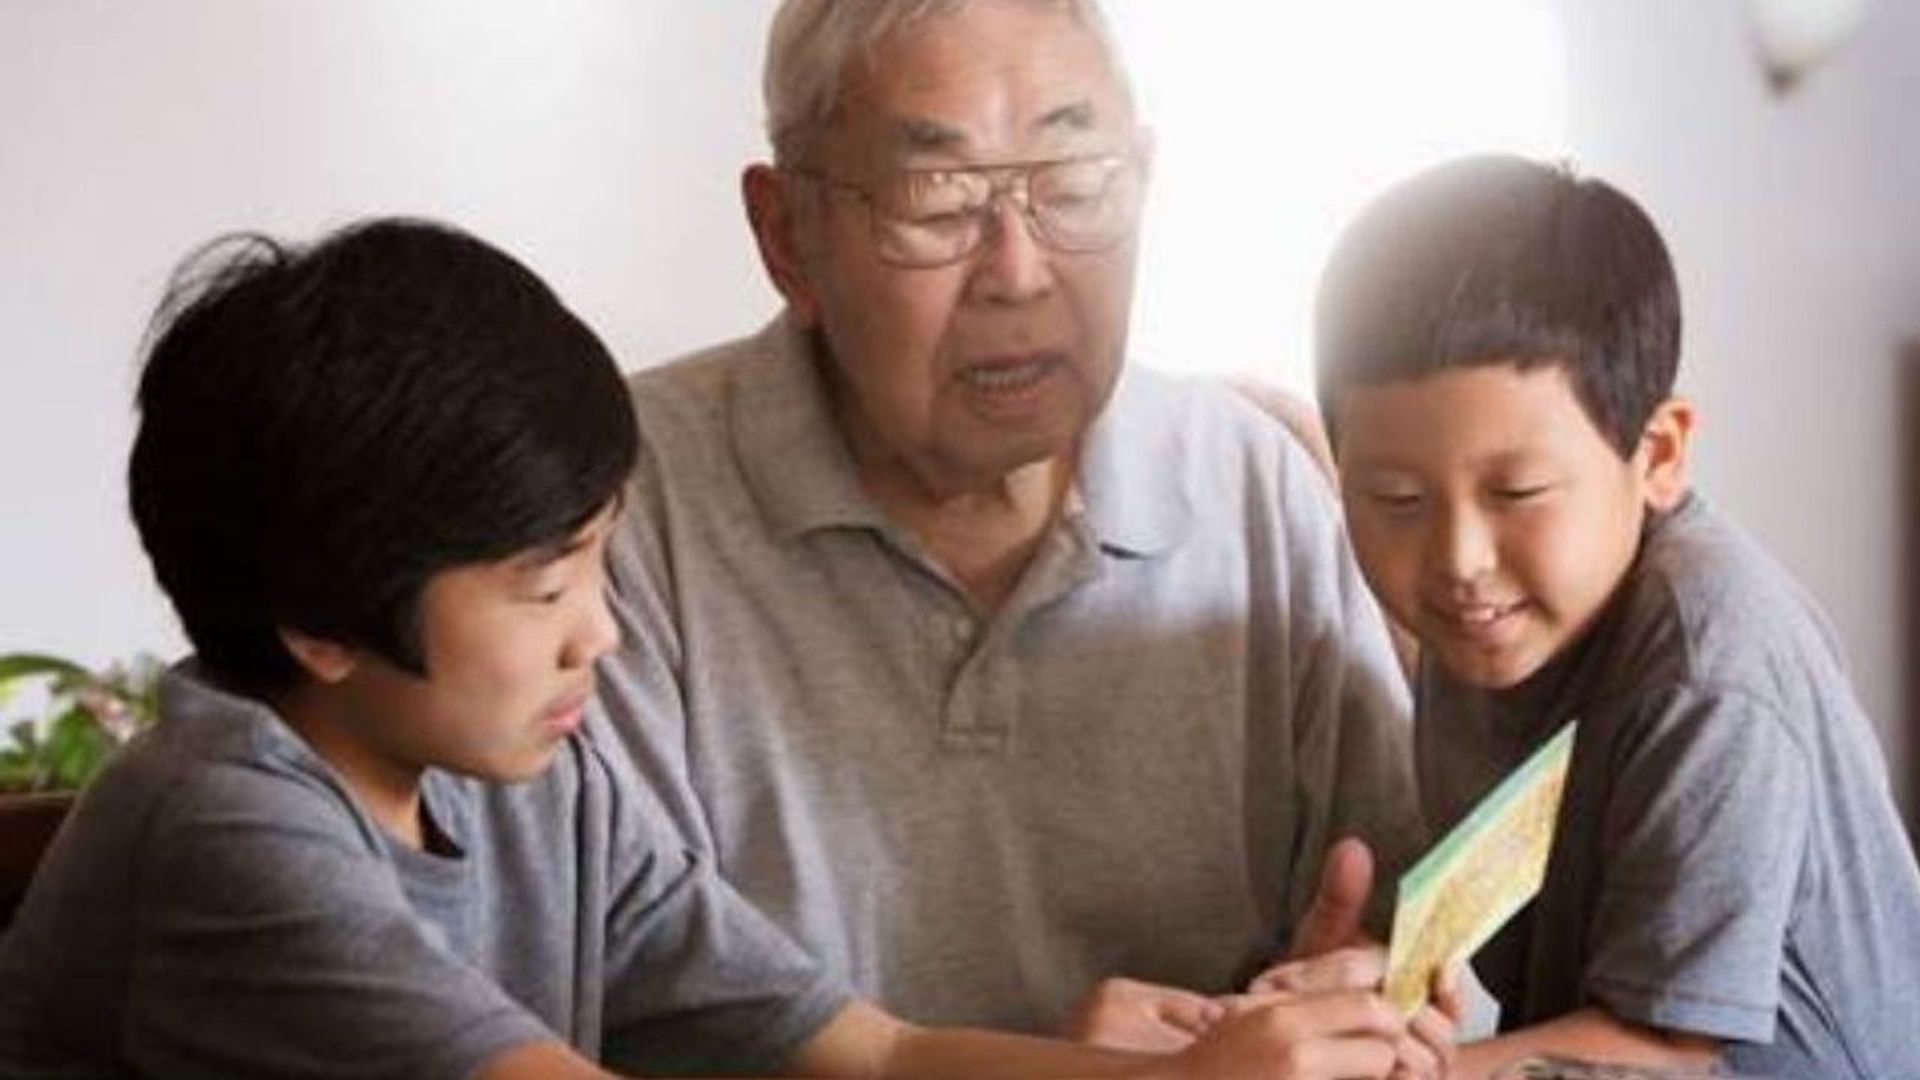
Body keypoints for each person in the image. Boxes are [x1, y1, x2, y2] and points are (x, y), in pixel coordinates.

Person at [0, 218, 1425, 1079]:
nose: (598, 636)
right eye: (542, 587)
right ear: (319, 625)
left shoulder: (521, 773)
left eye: (598, 561)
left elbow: (866, 1051)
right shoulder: (227, 831)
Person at [598, 0, 1428, 1049]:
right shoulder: (624, 506)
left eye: (1076, 189)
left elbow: (1404, 924)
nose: (1020, 273)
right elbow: (603, 1001)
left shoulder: (1251, 481)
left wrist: (1355, 990)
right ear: (787, 236)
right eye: (936, 203)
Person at [1314, 153, 1920, 1078]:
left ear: (1661, 454)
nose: (1457, 560)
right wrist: (1373, 994)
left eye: (1518, 491)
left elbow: (1664, 1053)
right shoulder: (1489, 628)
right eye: (1397, 499)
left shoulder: (1709, 671)